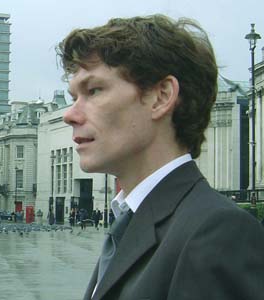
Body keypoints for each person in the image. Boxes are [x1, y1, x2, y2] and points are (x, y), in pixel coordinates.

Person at [59, 14, 264, 300]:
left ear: (161, 96)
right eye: (73, 97)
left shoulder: (217, 233)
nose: (70, 115)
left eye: (93, 91)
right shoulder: (132, 221)